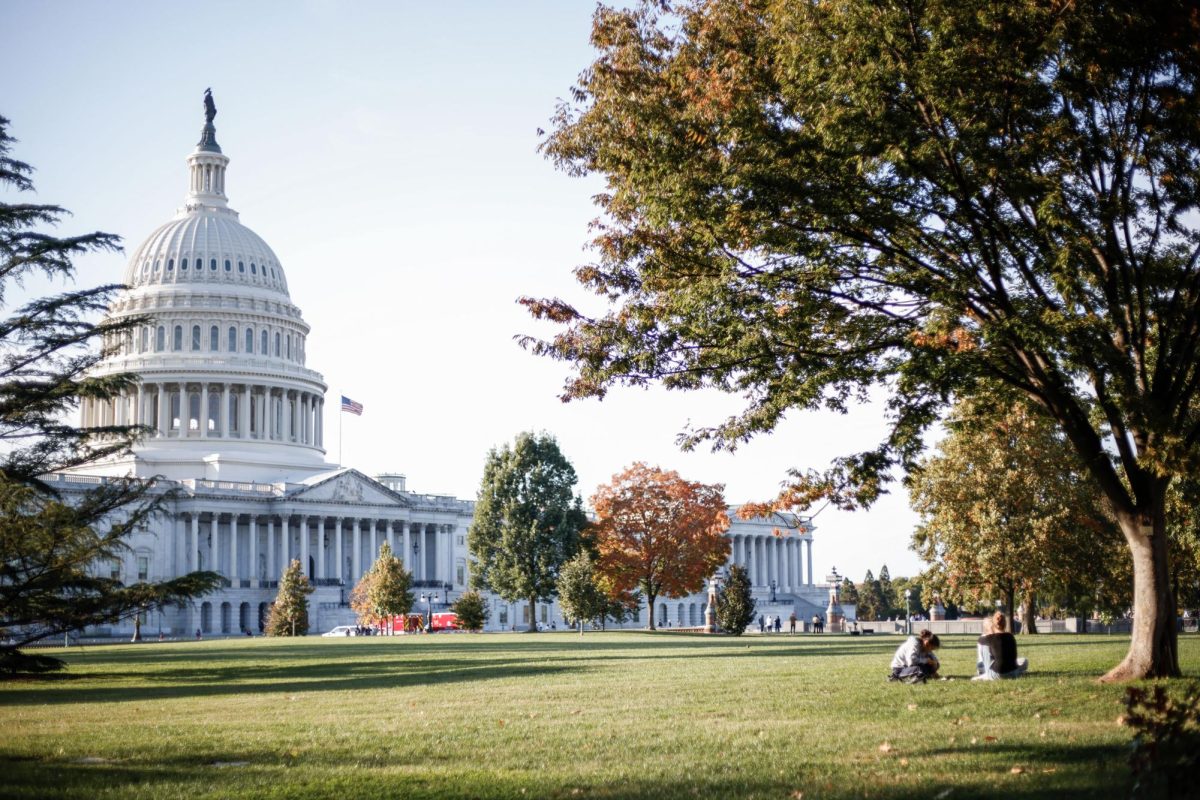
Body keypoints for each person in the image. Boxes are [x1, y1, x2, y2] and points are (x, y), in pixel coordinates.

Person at [973, 612, 1029, 680]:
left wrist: (989, 631)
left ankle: (986, 673)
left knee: (984, 650)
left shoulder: (984, 639)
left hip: (995, 674)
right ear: (1005, 623)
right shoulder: (1011, 636)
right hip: (1013, 672)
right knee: (1024, 661)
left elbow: (982, 647)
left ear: (993, 624)